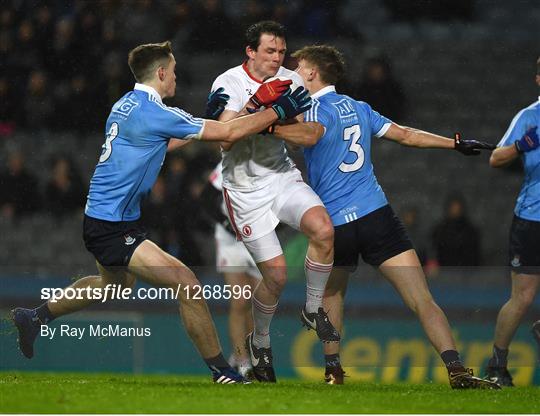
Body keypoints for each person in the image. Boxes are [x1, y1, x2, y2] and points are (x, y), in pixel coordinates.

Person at [11, 40, 311, 384]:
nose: (176, 79)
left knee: (114, 285)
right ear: (162, 73)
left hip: (105, 216)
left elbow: (170, 138)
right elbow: (225, 134)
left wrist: (225, 116)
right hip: (112, 224)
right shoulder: (153, 112)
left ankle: (34, 317)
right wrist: (275, 110)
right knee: (186, 283)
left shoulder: (126, 104)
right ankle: (222, 371)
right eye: (174, 72)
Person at [277, 44, 499, 389]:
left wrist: (267, 127)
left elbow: (308, 136)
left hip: (336, 224)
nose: (294, 73)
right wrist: (454, 144)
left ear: (311, 73)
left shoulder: (312, 109)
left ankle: (333, 371)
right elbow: (407, 135)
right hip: (375, 215)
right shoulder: (360, 107)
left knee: (333, 295)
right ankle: (457, 370)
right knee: (421, 298)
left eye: (298, 67)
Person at [209, 21, 339, 383]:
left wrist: (272, 125)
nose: (277, 58)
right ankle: (261, 343)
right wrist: (263, 110)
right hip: (243, 190)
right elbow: (225, 137)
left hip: (281, 176)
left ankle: (313, 310)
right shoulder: (228, 82)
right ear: (250, 52)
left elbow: (310, 134)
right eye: (269, 51)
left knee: (324, 229)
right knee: (277, 276)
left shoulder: (291, 80)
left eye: (281, 51)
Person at [484, 57, 540, 387]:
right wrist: (523, 144)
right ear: (537, 80)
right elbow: (495, 158)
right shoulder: (529, 117)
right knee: (523, 297)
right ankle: (497, 364)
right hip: (532, 218)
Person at [200, 161, 263, 378]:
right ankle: (243, 361)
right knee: (240, 301)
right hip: (230, 239)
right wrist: (229, 225)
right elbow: (206, 199)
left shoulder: (272, 162)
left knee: (259, 303)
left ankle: (249, 357)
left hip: (259, 238)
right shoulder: (230, 161)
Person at [431, 193, 481, 267]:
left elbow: (474, 255)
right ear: (448, 208)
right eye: (453, 207)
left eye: (457, 208)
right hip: (444, 272)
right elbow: (434, 252)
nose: (455, 210)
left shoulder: (470, 231)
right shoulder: (440, 230)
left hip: (466, 273)